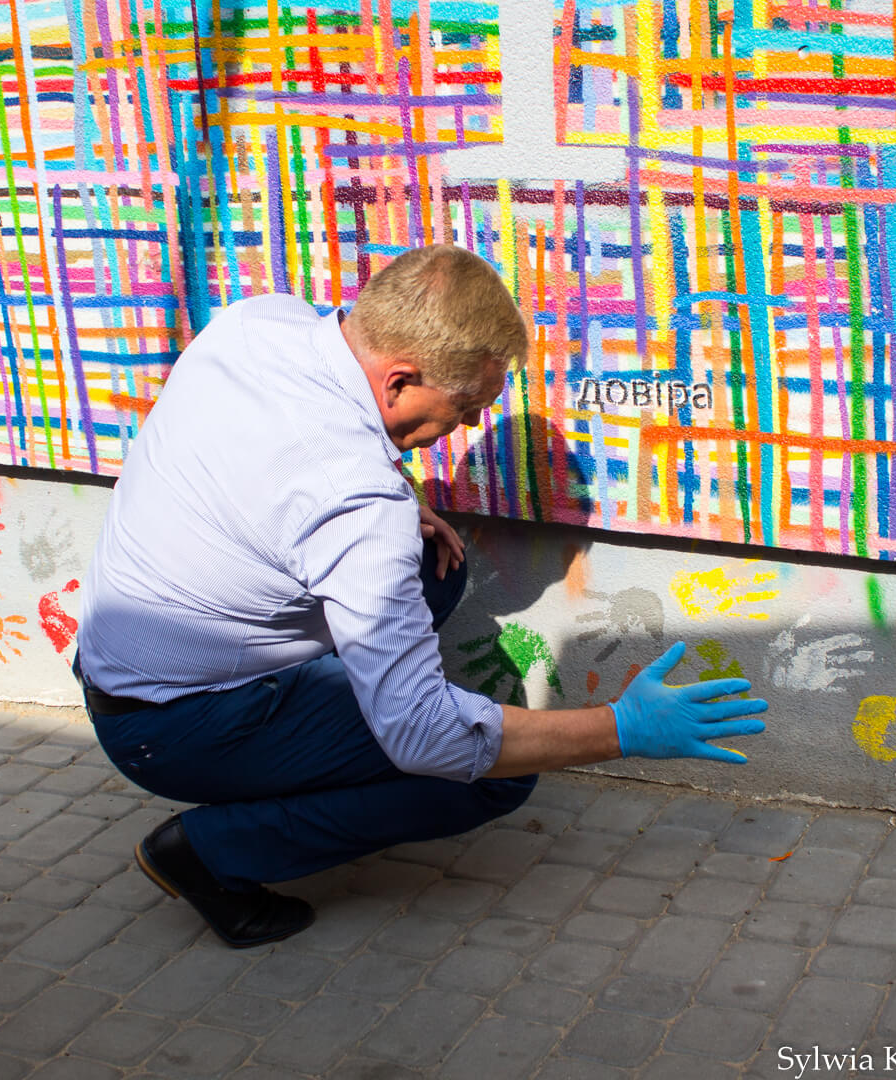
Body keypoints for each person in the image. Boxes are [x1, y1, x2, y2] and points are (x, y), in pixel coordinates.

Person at [73, 244, 768, 948]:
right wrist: (622, 729)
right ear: (400, 381)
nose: (461, 430)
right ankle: (211, 853)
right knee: (492, 773)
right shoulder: (354, 507)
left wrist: (402, 498)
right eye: (463, 410)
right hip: (174, 729)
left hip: (126, 660)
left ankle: (338, 713)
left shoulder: (260, 323)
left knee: (435, 572)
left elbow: (299, 462)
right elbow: (427, 737)